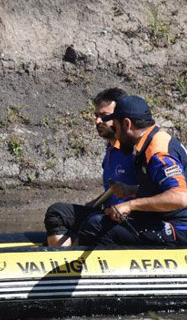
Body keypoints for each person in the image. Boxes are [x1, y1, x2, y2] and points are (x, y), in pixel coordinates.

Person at [78, 95, 187, 247]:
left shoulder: (157, 152)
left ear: (127, 124)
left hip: (182, 232)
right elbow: (159, 188)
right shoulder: (152, 140)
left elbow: (179, 197)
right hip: (170, 225)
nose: (115, 133)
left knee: (96, 225)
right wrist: (130, 191)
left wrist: (130, 205)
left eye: (116, 128)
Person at [44, 87, 136, 246]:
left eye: (104, 116)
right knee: (57, 213)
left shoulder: (134, 150)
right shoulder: (110, 148)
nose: (98, 121)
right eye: (96, 116)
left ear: (121, 116)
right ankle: (60, 254)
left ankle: (65, 259)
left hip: (129, 221)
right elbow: (113, 191)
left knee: (89, 222)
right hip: (107, 213)